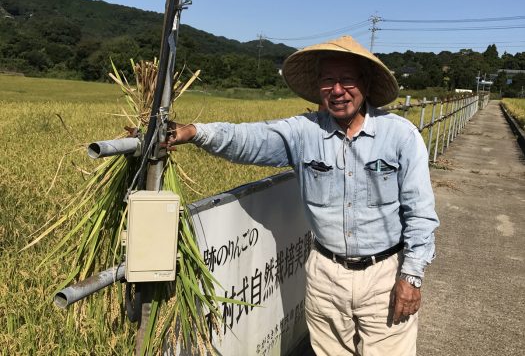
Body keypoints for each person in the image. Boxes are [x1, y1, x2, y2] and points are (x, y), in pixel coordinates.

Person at [168, 35, 439, 356]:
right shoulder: (304, 133)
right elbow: (247, 138)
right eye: (328, 81)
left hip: (384, 273)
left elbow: (420, 213)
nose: (337, 90)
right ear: (318, 86)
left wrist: (412, 277)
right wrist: (194, 131)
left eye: (347, 80)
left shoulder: (399, 135)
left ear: (365, 82)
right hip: (326, 272)